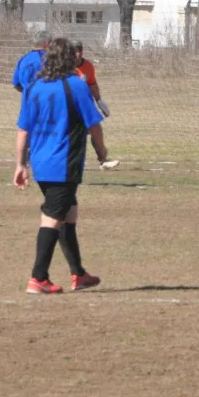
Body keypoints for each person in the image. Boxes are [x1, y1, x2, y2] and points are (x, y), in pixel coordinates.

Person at [14, 38, 111, 294]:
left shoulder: (33, 87)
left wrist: (21, 165)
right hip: (63, 163)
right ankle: (38, 277)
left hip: (41, 163)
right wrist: (102, 152)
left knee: (68, 213)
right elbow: (94, 126)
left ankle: (78, 274)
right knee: (53, 217)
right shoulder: (76, 86)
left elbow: (23, 130)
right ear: (70, 58)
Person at [71, 39, 119, 170]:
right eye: (74, 51)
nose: (77, 54)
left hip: (86, 106)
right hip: (70, 106)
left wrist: (99, 101)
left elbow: (92, 84)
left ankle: (103, 161)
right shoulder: (65, 66)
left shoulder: (88, 66)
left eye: (79, 51)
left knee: (95, 131)